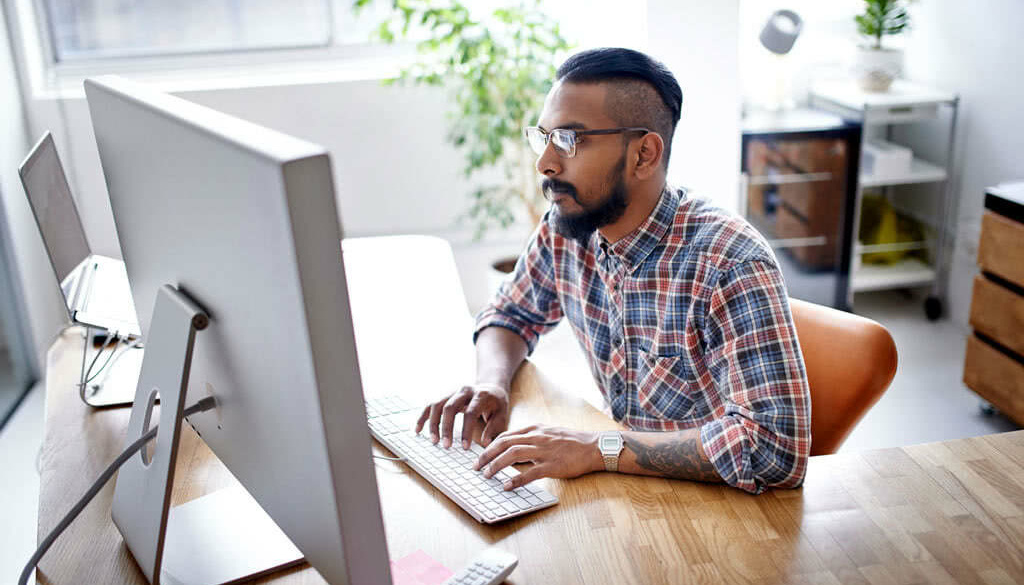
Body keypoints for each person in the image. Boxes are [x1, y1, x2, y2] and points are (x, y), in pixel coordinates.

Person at [417, 47, 810, 495]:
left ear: (644, 154)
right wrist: (492, 383)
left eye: (569, 139)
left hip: (720, 514)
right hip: (630, 497)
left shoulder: (729, 263)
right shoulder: (569, 227)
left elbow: (774, 450)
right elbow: (510, 314)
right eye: (543, 137)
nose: (544, 163)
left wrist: (598, 448)